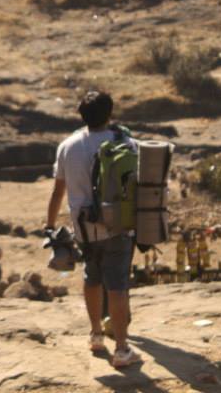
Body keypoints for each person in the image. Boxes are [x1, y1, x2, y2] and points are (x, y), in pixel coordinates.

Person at [45, 90, 142, 368]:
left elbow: (57, 192)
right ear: (110, 113)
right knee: (118, 285)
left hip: (83, 229)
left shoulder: (68, 146)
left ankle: (96, 334)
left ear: (81, 116)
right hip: (118, 227)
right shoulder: (127, 144)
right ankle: (122, 349)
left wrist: (49, 225)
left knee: (91, 277)